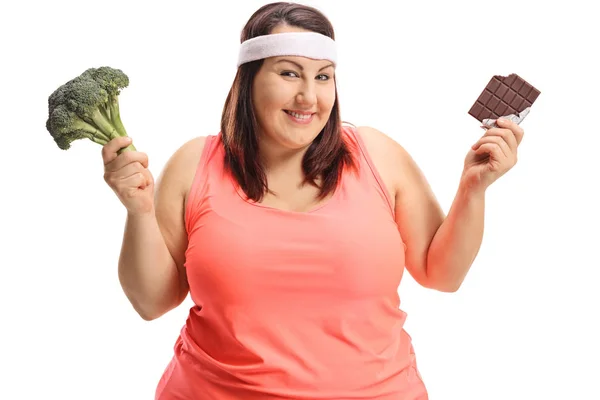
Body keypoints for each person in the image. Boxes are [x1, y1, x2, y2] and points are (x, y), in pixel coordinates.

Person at [101, 2, 525, 399]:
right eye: (289, 74)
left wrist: (474, 189)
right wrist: (138, 212)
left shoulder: (378, 156)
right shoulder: (195, 164)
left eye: (323, 77)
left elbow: (442, 274)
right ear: (248, 79)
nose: (309, 97)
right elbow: (151, 301)